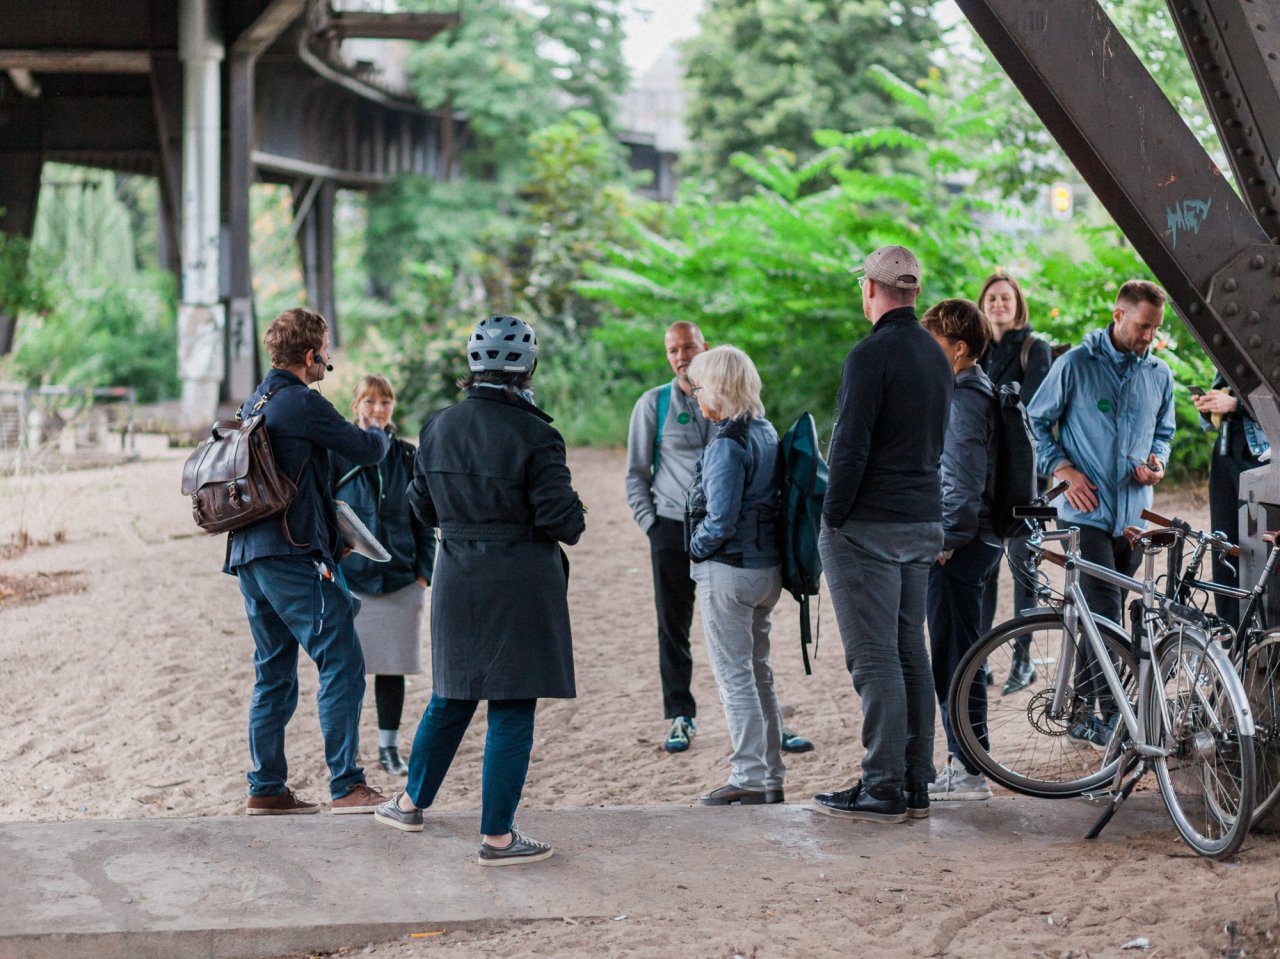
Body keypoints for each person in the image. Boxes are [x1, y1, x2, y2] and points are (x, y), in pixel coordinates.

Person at [374, 314, 585, 866]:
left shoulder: (437, 426)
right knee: (512, 707)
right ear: (528, 367)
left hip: (457, 575)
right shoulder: (538, 433)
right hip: (520, 581)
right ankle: (497, 837)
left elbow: (420, 507)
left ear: (473, 367)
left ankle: (409, 802)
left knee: (451, 694)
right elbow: (564, 521)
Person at [227, 307, 391, 816]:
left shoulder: (257, 400)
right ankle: (347, 784)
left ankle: (267, 787)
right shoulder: (302, 401)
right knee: (342, 658)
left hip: (249, 555)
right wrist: (378, 429)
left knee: (273, 671)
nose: (328, 360)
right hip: (289, 555)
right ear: (309, 354)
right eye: (324, 351)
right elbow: (367, 451)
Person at [625, 322, 814, 756]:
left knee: (741, 653)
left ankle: (769, 735)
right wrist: (652, 527)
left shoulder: (734, 414)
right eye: (672, 349)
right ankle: (681, 715)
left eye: (688, 346)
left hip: (723, 539)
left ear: (704, 349)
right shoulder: (652, 405)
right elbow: (636, 473)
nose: (680, 355)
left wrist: (707, 539)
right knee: (673, 626)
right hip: (673, 528)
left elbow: (732, 492)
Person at [812, 245, 953, 824]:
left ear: (871, 289)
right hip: (922, 519)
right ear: (914, 292)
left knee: (874, 662)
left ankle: (882, 787)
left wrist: (831, 516)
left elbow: (850, 448)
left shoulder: (870, 356)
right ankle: (916, 781)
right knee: (908, 654)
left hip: (868, 525)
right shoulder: (936, 355)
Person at [1027, 280, 1175, 749]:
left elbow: (1164, 434)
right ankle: (1111, 715)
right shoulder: (1074, 365)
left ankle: (1083, 710)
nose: (1148, 336)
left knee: (1103, 613)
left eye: (1155, 328)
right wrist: (1063, 469)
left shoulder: (1159, 374)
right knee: (1105, 610)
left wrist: (1158, 463)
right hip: (1082, 514)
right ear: (1118, 315)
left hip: (1133, 517)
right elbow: (1034, 421)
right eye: (1142, 326)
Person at [685, 346, 787, 806]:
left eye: (701, 385)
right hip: (767, 570)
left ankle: (748, 775)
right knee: (759, 673)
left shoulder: (727, 442)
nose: (697, 394)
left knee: (735, 678)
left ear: (720, 389)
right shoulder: (765, 431)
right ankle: (772, 774)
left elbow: (721, 518)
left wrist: (694, 548)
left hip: (730, 571)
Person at [333, 375, 438, 776]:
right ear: (356, 404)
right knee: (349, 670)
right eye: (370, 401)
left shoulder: (408, 456)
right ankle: (349, 749)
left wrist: (423, 575)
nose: (378, 409)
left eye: (385, 402)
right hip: (352, 580)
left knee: (393, 669)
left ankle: (388, 747)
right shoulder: (338, 455)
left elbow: (425, 521)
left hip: (400, 579)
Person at [921, 300, 1001, 802]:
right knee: (961, 652)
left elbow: (962, 481)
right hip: (980, 537)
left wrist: (947, 540)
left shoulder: (965, 397)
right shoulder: (976, 389)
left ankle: (969, 770)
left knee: (955, 658)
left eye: (935, 345)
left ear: (959, 349)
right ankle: (966, 763)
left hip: (962, 543)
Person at [977, 272, 1055, 694]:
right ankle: (981, 659)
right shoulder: (973, 349)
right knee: (983, 571)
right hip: (983, 478)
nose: (998, 304)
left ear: (1017, 302)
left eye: (1005, 298)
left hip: (1025, 478)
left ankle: (1023, 660)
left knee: (1025, 568)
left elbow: (1030, 407)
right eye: (991, 298)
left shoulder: (1033, 348)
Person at [1193, 373, 1271, 627]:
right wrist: (1209, 406)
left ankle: (1258, 627)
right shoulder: (1226, 357)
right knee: (1222, 540)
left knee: (1257, 545)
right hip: (1225, 452)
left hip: (1257, 458)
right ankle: (1230, 627)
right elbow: (1222, 401)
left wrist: (1236, 405)